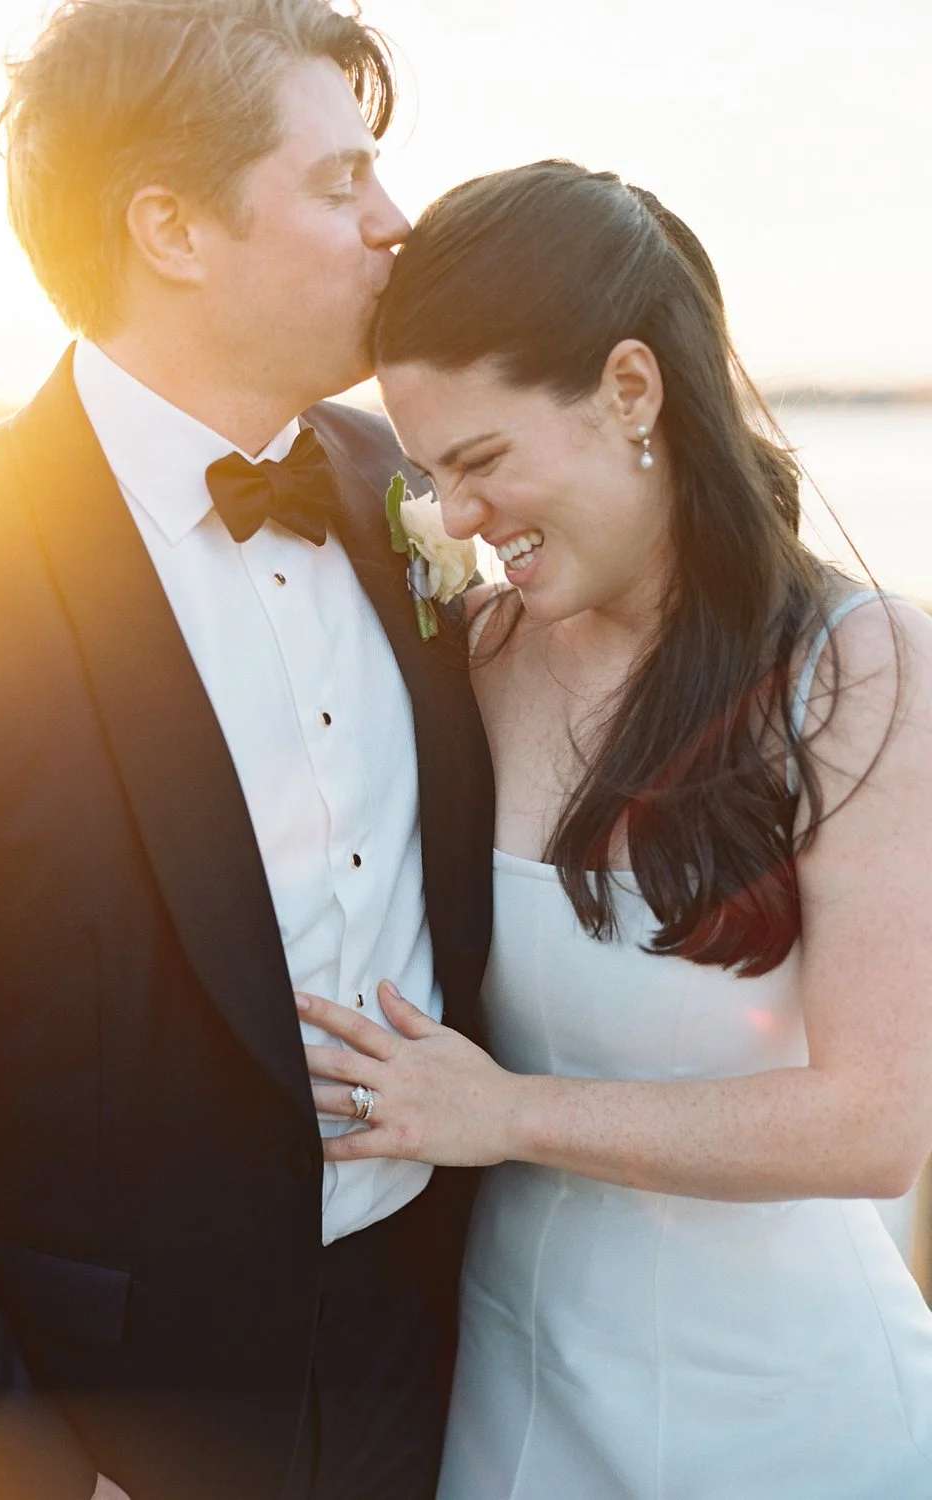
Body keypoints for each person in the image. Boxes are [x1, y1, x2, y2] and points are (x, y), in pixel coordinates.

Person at [0, 4, 494, 1498]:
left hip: (423, 1374)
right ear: (171, 228)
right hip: (95, 1410)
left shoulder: (407, 493)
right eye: (342, 186)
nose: (398, 227)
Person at [298, 159, 932, 1498]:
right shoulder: (474, 656)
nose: (457, 521)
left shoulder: (860, 668)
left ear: (632, 391)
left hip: (784, 1422)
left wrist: (509, 1113)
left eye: (480, 461)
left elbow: (876, 1126)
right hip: (501, 1404)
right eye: (428, 475)